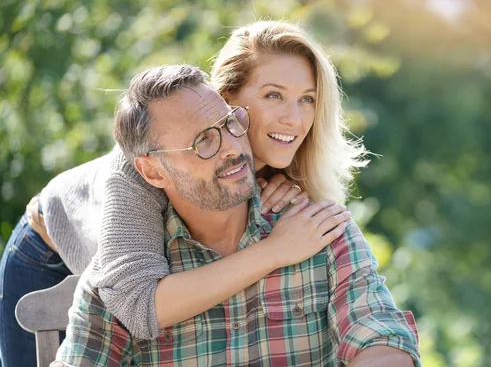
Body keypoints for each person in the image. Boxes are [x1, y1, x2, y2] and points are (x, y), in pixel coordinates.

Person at [0, 20, 366, 366]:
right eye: (274, 95)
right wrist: (275, 250)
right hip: (47, 250)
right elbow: (138, 305)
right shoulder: (137, 173)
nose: (295, 118)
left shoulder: (276, 166)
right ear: (225, 98)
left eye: (307, 99)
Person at [54, 64, 420, 366]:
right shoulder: (125, 275)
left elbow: (380, 333)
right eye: (203, 141)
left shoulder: (318, 231)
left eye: (230, 124)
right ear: (152, 172)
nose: (232, 147)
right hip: (43, 241)